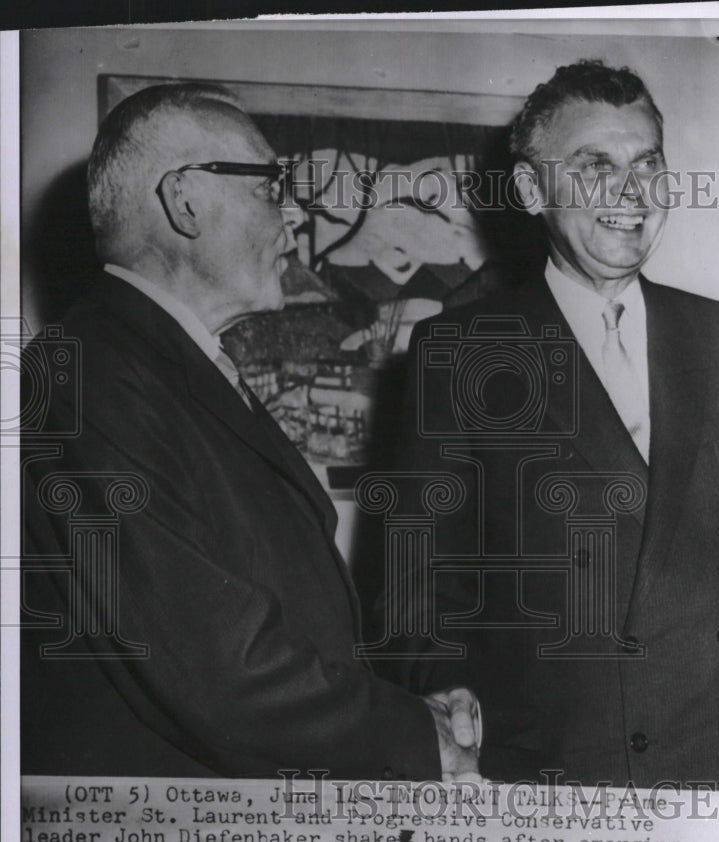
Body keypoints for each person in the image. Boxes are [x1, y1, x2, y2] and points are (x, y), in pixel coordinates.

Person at [20, 83, 480, 780]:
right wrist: (415, 735)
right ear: (185, 201)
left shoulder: (163, 363)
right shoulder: (90, 371)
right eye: (272, 186)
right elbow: (213, 662)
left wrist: (406, 708)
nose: (294, 214)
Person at [385, 60, 719, 786]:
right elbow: (417, 587)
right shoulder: (459, 352)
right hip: (557, 770)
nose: (630, 193)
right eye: (594, 166)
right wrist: (446, 696)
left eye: (646, 164)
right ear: (527, 189)